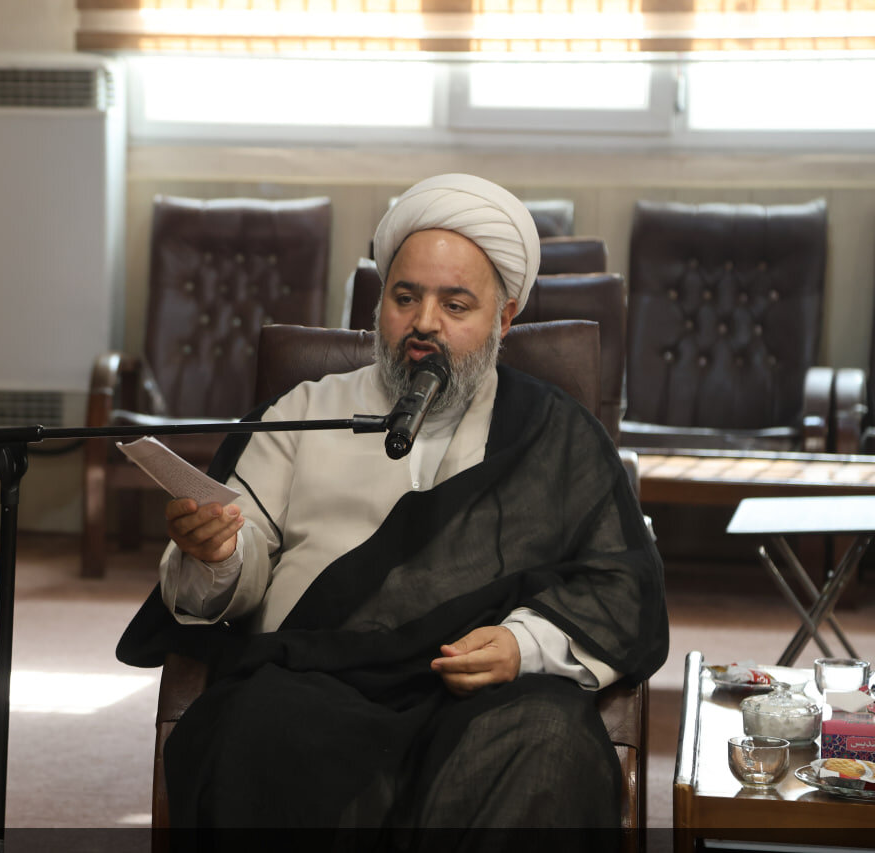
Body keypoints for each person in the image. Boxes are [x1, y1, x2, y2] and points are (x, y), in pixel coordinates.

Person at [116, 174, 668, 849]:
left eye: (455, 304)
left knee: (548, 741)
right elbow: (243, 544)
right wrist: (217, 553)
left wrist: (523, 646)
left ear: (504, 318)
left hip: (482, 694)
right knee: (251, 728)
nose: (424, 323)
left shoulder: (555, 433)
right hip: (312, 681)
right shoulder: (305, 411)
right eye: (405, 298)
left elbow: (621, 586)